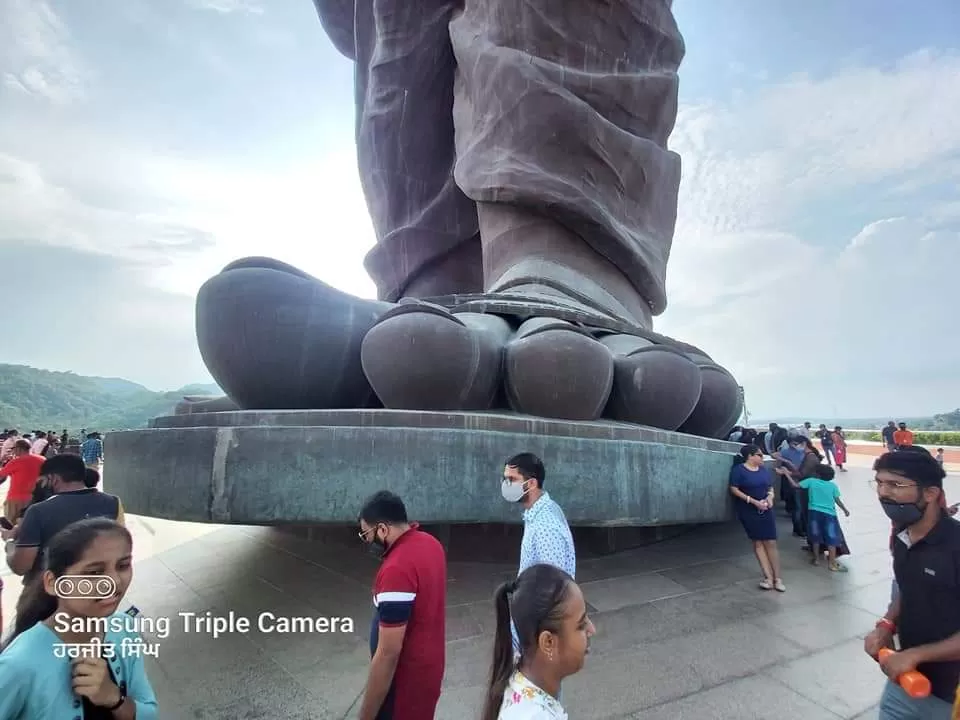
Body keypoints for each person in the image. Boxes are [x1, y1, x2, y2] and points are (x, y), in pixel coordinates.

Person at [0, 517, 158, 717]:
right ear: (53, 583)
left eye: (123, 566)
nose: (114, 581)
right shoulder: (19, 664)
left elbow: (149, 712)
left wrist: (113, 698)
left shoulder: (123, 628)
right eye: (94, 572)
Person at [863, 447, 960, 718]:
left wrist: (915, 655)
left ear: (930, 493)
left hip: (951, 698)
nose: (883, 493)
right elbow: (908, 588)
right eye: (880, 483)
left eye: (895, 484)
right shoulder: (902, 538)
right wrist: (886, 624)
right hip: (904, 682)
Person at [356, 491, 446, 720]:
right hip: (429, 670)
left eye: (366, 534)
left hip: (403, 686)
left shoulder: (397, 569)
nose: (367, 541)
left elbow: (388, 653)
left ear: (383, 530)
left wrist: (365, 716)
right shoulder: (431, 544)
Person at [481, 563, 595, 720]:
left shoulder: (518, 675)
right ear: (548, 642)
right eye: (581, 625)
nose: (592, 629)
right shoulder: (535, 715)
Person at [5, 454, 125, 586]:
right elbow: (121, 547)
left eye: (42, 480)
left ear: (54, 479)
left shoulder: (37, 511)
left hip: (49, 594)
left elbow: (21, 567)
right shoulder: (113, 502)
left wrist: (10, 541)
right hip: (99, 587)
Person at [729, 445, 785, 592]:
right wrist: (752, 501)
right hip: (749, 510)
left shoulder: (763, 470)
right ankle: (768, 577)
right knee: (758, 542)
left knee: (771, 542)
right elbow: (734, 489)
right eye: (759, 455)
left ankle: (777, 577)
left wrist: (770, 497)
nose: (761, 457)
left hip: (765, 507)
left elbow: (769, 487)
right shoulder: (739, 470)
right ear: (750, 456)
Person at [788, 465, 850, 572]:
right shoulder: (833, 486)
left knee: (815, 536)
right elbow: (837, 500)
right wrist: (845, 510)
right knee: (831, 538)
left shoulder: (811, 481)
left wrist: (786, 474)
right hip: (830, 515)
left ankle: (816, 559)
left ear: (818, 474)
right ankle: (832, 563)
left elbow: (795, 485)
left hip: (814, 513)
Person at [0, 439, 45, 525]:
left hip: (16, 498)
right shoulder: (42, 459)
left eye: (14, 448)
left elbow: (1, 475)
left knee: (10, 526)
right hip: (36, 498)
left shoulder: (15, 462)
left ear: (19, 449)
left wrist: (3, 462)